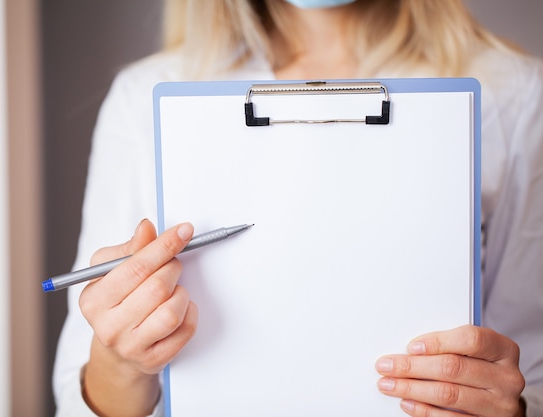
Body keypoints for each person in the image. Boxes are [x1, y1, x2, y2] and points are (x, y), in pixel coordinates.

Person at [52, 1, 543, 416]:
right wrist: (121, 367)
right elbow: (76, 396)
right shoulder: (147, 98)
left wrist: (513, 406)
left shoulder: (515, 94)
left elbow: (533, 368)